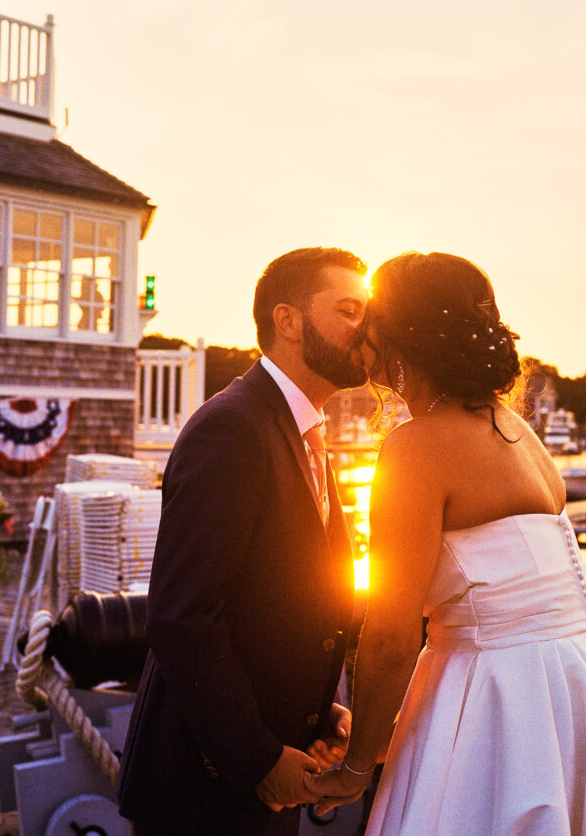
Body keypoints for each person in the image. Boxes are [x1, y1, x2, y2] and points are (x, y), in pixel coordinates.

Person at [307, 252, 586, 835]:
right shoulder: (517, 431)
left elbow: (391, 634)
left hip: (498, 700)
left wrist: (357, 767)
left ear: (396, 336)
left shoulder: (416, 447)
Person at [117, 247, 370, 835]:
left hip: (265, 774)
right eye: (350, 310)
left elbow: (269, 600)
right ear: (288, 321)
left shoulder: (305, 431)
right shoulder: (233, 428)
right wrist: (258, 759)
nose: (367, 330)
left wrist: (310, 709)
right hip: (202, 791)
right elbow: (183, 616)